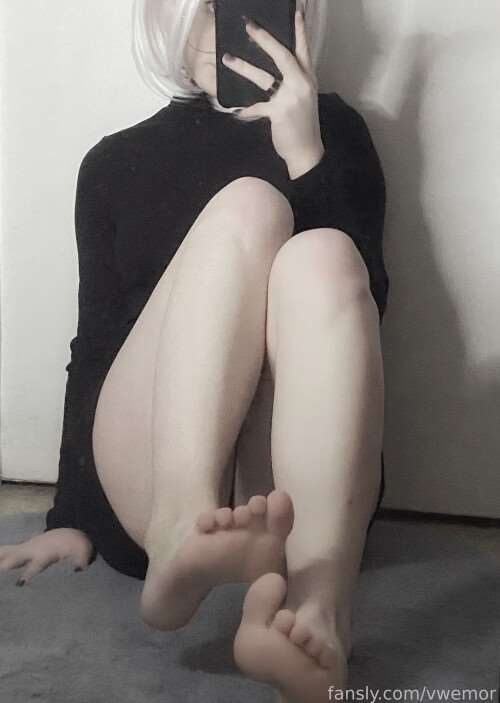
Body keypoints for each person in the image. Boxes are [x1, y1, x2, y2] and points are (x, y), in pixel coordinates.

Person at [0, 0, 390, 699]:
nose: (237, 30)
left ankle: (319, 616)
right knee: (250, 205)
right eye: (212, 7)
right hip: (152, 473)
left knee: (326, 255)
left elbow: (363, 313)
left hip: (297, 499)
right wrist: (70, 517)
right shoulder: (114, 163)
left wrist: (305, 152)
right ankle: (180, 530)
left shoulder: (337, 132)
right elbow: (97, 343)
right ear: (170, 18)